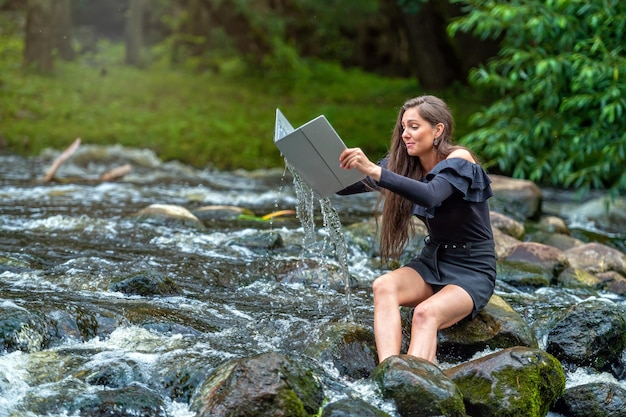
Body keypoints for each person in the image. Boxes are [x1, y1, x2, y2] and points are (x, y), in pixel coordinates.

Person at [337, 95, 496, 364]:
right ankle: (390, 370)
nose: (405, 135)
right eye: (402, 128)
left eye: (413, 127)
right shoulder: (404, 165)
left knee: (425, 313)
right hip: (432, 260)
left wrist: (375, 171)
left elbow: (431, 194)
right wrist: (306, 162)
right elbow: (342, 186)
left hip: (473, 269)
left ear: (438, 130)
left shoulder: (460, 159)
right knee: (384, 285)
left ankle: (415, 382)